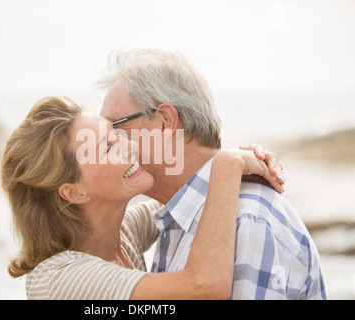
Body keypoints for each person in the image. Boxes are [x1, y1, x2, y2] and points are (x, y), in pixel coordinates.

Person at [1, 96, 284, 299]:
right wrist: (227, 165)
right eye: (108, 147)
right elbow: (205, 287)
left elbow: (186, 198)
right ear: (74, 191)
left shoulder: (122, 236)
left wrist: (239, 158)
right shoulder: (61, 279)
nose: (127, 144)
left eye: (115, 133)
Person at [98, 48, 326, 299]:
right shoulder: (179, 212)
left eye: (115, 128)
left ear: (164, 122)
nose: (108, 143)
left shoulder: (246, 219)